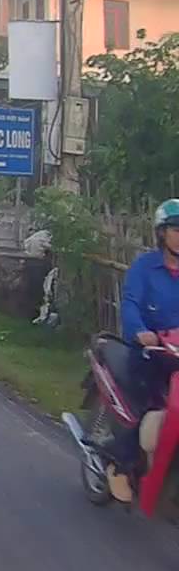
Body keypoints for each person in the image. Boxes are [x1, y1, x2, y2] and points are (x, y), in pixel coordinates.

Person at [112, 198, 179, 501]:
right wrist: (140, 332)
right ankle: (122, 465)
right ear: (162, 233)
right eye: (176, 229)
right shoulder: (144, 268)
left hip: (177, 356)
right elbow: (130, 304)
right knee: (148, 406)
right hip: (151, 354)